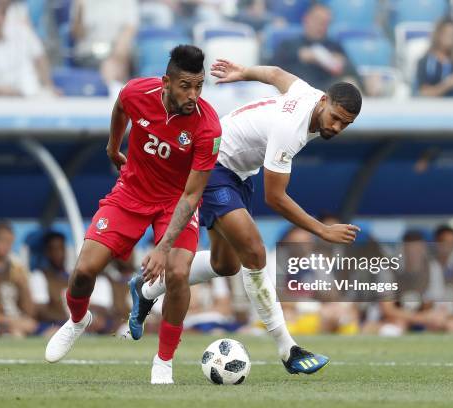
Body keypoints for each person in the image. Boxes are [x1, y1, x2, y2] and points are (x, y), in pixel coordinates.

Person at [128, 59, 361, 375]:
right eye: (335, 118)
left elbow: (278, 73)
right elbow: (275, 198)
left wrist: (243, 73)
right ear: (324, 101)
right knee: (254, 251)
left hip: (238, 172)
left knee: (226, 265)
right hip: (213, 164)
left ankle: (146, 288)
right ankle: (287, 349)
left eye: (344, 124)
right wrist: (323, 230)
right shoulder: (289, 129)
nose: (335, 127)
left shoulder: (308, 93)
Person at [44, 45, 222, 385]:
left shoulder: (208, 127)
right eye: (186, 85)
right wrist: (113, 146)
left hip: (175, 202)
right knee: (84, 270)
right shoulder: (137, 92)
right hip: (131, 192)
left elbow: (192, 194)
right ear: (167, 82)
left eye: (199, 86)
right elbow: (121, 107)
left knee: (179, 272)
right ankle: (77, 320)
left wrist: (164, 247)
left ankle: (164, 361)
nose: (194, 94)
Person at [0, 0, 55, 97]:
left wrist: (49, 87)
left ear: (4, 17)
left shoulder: (23, 33)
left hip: (31, 96)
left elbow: (39, 57)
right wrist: (4, 91)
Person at [271, 3, 360, 92]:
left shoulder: (334, 46)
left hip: (328, 96)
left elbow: (353, 73)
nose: (321, 25)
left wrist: (342, 64)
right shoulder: (289, 44)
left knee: (349, 84)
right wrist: (298, 55)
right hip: (295, 94)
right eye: (318, 20)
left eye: (326, 22)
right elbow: (271, 69)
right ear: (306, 19)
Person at [71, 0, 138, 85]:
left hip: (118, 51)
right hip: (89, 52)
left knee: (121, 57)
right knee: (110, 66)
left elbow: (130, 29)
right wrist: (80, 13)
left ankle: (117, 88)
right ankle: (115, 89)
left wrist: (115, 56)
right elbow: (77, 35)